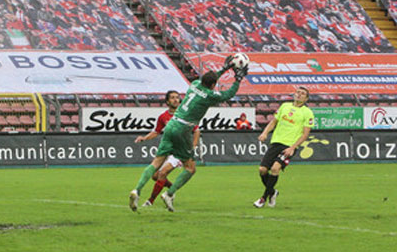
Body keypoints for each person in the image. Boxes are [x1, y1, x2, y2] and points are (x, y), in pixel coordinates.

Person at [129, 57, 247, 212]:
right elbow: (228, 94)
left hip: (171, 124)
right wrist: (238, 79)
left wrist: (226, 68)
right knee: (190, 168)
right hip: (183, 130)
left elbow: (210, 78)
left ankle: (137, 190)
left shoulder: (195, 84)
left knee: (156, 162)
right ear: (213, 85)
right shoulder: (210, 95)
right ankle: (169, 194)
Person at [134, 90, 201, 206]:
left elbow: (196, 130)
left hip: (180, 150)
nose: (176, 100)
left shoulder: (185, 115)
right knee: (155, 176)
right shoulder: (163, 117)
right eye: (172, 98)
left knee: (162, 173)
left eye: (177, 97)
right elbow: (156, 132)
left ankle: (151, 200)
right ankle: (171, 189)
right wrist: (144, 138)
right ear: (167, 101)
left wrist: (193, 146)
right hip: (169, 148)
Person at [253, 87, 314, 208]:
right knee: (262, 170)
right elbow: (273, 122)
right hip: (276, 142)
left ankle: (262, 199)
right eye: (298, 92)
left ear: (306, 99)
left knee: (275, 168)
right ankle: (272, 192)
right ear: (294, 94)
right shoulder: (284, 106)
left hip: (289, 146)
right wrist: (265, 133)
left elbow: (305, 134)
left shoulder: (307, 113)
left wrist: (293, 147)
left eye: (303, 94)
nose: (299, 95)